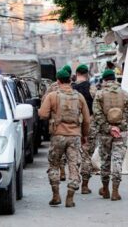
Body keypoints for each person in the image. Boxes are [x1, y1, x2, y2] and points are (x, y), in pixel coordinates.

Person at [39, 69, 90, 207]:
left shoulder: (52, 96)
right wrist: (85, 135)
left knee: (54, 164)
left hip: (58, 136)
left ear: (58, 81)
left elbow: (43, 114)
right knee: (74, 165)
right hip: (75, 136)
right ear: (70, 80)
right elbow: (86, 120)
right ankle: (70, 197)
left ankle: (56, 195)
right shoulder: (79, 96)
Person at [93, 69, 128, 201]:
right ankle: (115, 191)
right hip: (120, 133)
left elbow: (97, 114)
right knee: (117, 160)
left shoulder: (99, 95)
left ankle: (105, 189)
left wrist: (108, 128)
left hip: (105, 133)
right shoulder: (125, 94)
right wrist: (119, 127)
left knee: (105, 161)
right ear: (114, 79)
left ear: (104, 80)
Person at [41, 64, 72, 181]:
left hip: (56, 123)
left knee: (57, 150)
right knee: (70, 150)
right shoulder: (72, 88)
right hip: (71, 124)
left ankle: (61, 170)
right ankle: (70, 174)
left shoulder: (52, 87)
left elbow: (44, 103)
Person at [72, 64, 97, 194]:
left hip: (73, 126)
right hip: (90, 124)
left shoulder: (71, 89)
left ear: (76, 73)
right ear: (87, 74)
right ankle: (85, 185)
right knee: (87, 155)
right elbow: (98, 106)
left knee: (74, 155)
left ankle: (74, 181)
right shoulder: (92, 88)